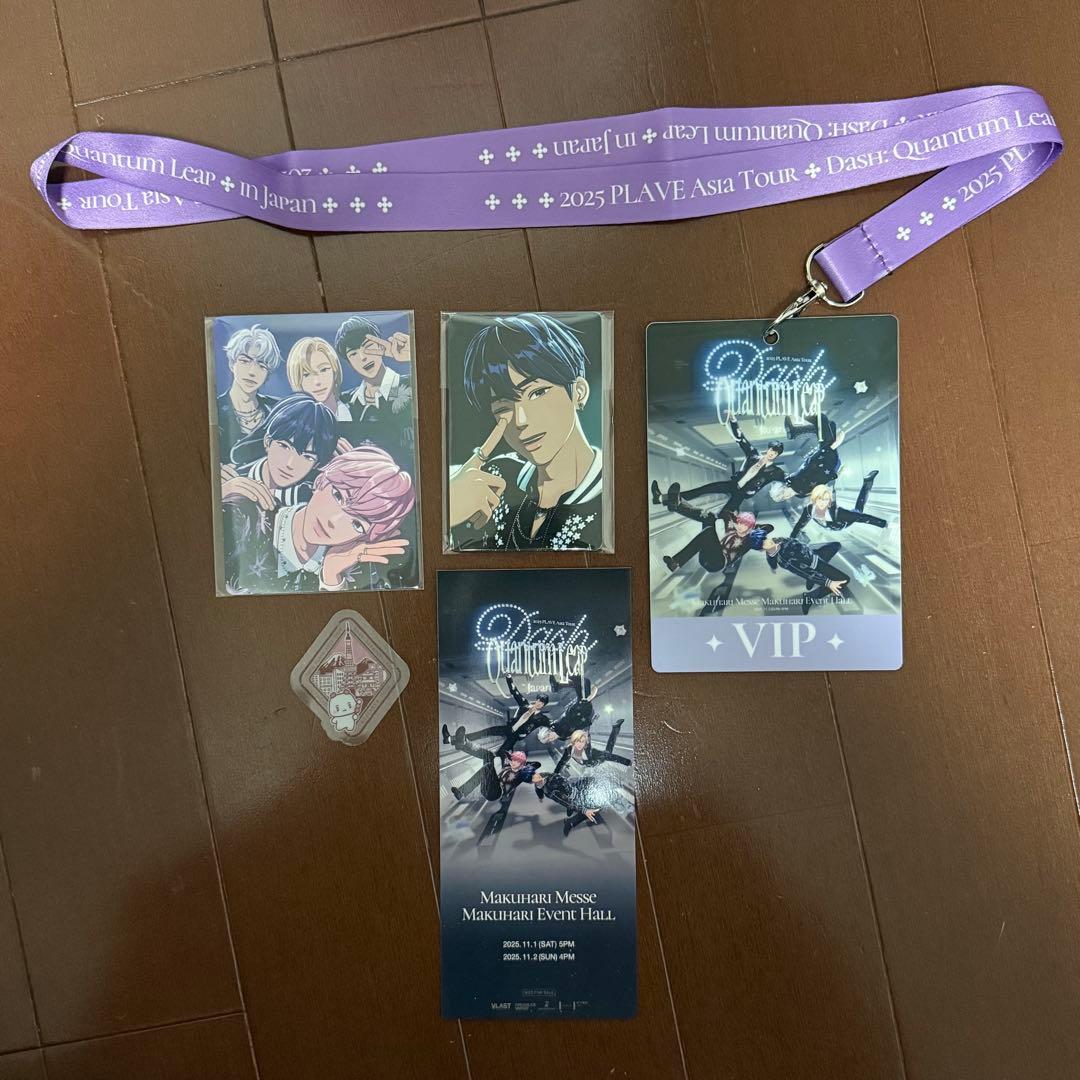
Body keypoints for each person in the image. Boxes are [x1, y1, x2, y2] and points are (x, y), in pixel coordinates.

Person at [448, 314, 603, 550]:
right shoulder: (496, 477)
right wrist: (445, 511)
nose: (521, 421)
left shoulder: (612, 494)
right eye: (503, 407)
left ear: (579, 392)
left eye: (537, 393)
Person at [220, 396, 338, 593]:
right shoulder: (229, 478)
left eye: (307, 456)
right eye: (284, 446)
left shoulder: (312, 502)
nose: (290, 464)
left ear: (316, 464)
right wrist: (219, 498)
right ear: (268, 441)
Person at [271, 444, 414, 591]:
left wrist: (331, 576)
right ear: (322, 480)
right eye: (338, 496)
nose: (333, 522)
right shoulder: (260, 521)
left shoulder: (355, 566)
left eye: (357, 524)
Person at [651, 410, 784, 516]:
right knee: (704, 489)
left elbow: (789, 480)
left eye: (776, 452)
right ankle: (661, 498)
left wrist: (791, 491)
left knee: (725, 515)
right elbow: (740, 438)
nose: (772, 453)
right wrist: (733, 420)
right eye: (772, 450)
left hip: (742, 494)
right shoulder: (753, 454)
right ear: (768, 449)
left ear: (777, 455)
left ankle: (719, 536)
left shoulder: (775, 472)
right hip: (733, 484)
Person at [333, 315, 412, 453]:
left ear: (381, 345)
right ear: (349, 362)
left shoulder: (412, 385)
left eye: (368, 347)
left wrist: (413, 355)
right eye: (353, 354)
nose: (363, 357)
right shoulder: (344, 401)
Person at [216, 325, 282, 460]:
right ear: (232, 364)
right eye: (245, 361)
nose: (252, 372)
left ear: (268, 374)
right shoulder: (214, 408)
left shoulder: (278, 409)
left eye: (262, 365)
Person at [441, 675, 550, 752]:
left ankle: (457, 743)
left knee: (502, 753)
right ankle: (450, 739)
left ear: (544, 705)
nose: (539, 703)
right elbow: (515, 691)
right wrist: (508, 678)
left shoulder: (541, 718)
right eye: (539, 701)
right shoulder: (525, 705)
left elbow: (553, 725)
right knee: (485, 732)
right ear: (536, 700)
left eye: (542, 703)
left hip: (515, 736)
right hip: (509, 728)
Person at [752, 532, 851, 615]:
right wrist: (829, 582)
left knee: (836, 545)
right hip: (814, 565)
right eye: (763, 543)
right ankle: (810, 597)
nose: (768, 541)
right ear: (761, 549)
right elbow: (804, 572)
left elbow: (771, 557)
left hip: (814, 553)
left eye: (765, 538)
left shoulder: (777, 540)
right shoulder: (784, 560)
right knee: (845, 580)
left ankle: (811, 580)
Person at [659, 506, 773, 574]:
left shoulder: (747, 541)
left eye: (745, 525)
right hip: (707, 556)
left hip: (717, 563)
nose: (740, 526)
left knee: (708, 532)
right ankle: (677, 505)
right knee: (708, 517)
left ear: (750, 528)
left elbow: (769, 527)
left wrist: (754, 528)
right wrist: (735, 518)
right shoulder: (732, 528)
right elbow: (725, 513)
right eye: (740, 523)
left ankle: (676, 562)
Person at [773, 413, 845, 499]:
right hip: (828, 461)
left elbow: (809, 466)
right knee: (829, 424)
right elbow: (819, 485)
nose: (786, 496)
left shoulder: (794, 483)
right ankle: (796, 430)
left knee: (824, 421)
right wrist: (836, 474)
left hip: (826, 458)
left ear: (784, 488)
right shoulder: (800, 493)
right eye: (783, 498)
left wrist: (829, 449)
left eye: (783, 493)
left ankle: (798, 417)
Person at [789, 475, 886, 537]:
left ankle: (868, 482)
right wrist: (792, 537)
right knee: (856, 510)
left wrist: (883, 524)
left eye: (825, 500)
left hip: (841, 523)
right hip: (830, 523)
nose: (822, 503)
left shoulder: (840, 513)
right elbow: (800, 524)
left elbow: (862, 518)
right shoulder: (809, 509)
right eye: (820, 499)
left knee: (858, 511)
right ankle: (867, 482)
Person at [285, 336, 352, 425]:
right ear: (297, 380)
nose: (317, 381)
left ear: (335, 370)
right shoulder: (293, 422)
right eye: (306, 375)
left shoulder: (354, 413)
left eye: (323, 370)